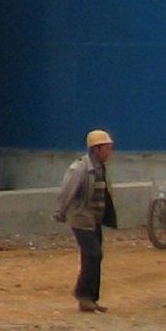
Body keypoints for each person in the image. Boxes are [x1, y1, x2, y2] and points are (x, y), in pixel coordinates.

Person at [54, 128, 117, 312]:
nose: (109, 152)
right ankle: (82, 294)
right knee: (93, 254)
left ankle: (90, 299)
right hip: (81, 218)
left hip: (94, 219)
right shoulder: (80, 168)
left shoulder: (100, 168)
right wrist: (60, 212)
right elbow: (67, 191)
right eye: (106, 148)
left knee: (94, 256)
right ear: (96, 149)